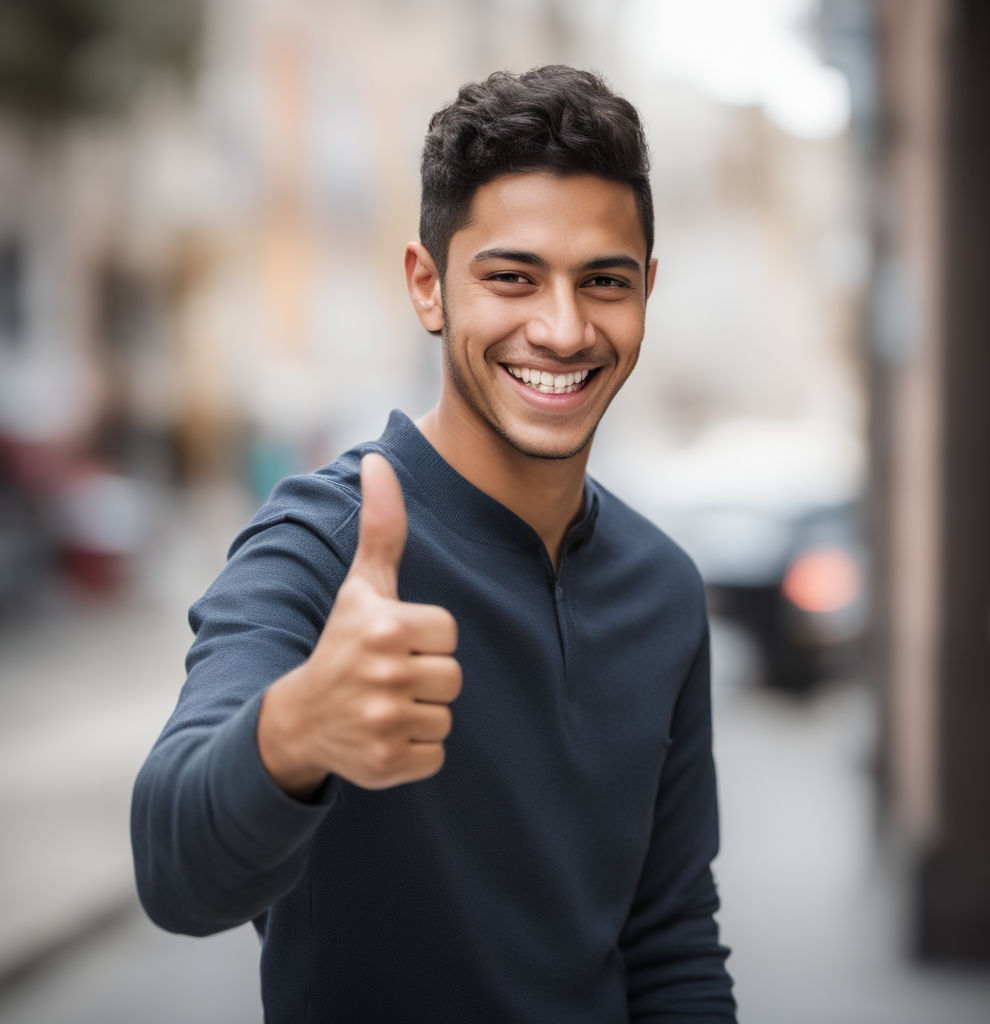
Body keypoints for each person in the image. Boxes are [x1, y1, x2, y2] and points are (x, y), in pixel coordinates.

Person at [132, 64, 736, 1022]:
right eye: (512, 277)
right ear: (429, 285)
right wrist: (298, 729)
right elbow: (175, 869)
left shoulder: (663, 587)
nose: (564, 327)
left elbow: (669, 937)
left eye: (604, 282)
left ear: (646, 292)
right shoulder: (322, 544)